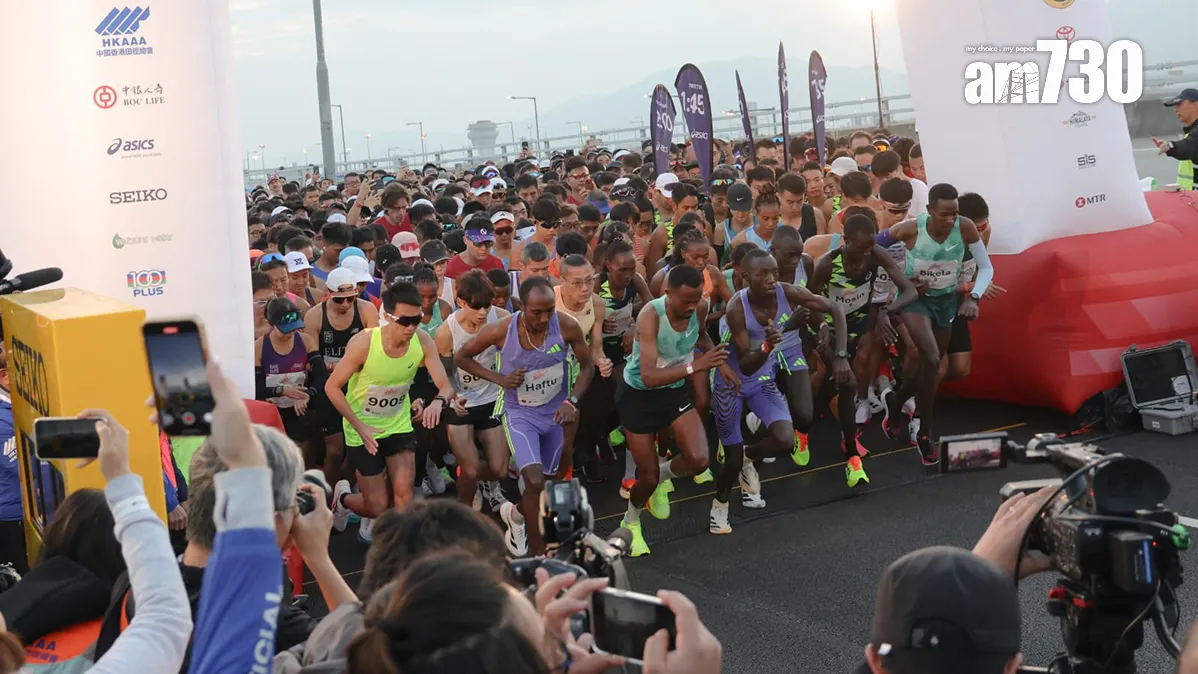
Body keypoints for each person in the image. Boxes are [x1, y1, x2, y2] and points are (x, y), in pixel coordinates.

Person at [710, 249, 849, 533]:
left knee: (787, 440)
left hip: (763, 383)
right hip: (731, 386)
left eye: (774, 271)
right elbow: (746, 365)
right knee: (730, 461)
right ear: (745, 278)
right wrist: (780, 333)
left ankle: (751, 456)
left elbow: (834, 308)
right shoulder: (737, 308)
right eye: (763, 274)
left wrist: (837, 347)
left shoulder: (787, 291)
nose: (772, 278)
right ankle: (720, 504)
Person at [454, 276, 594, 557]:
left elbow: (587, 365)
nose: (544, 318)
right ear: (522, 307)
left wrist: (572, 400)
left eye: (549, 310)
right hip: (520, 414)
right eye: (537, 312)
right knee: (534, 481)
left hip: (555, 413)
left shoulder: (566, 326)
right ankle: (540, 554)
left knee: (550, 479)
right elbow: (461, 357)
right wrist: (500, 379)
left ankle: (515, 515)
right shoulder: (501, 330)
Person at [617, 265, 729, 557]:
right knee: (647, 477)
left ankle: (663, 476)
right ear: (668, 294)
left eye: (696, 301)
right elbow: (650, 375)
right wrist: (695, 366)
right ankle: (631, 522)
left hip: (673, 392)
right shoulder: (650, 316)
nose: (691, 307)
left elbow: (701, 336)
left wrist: (721, 362)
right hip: (639, 396)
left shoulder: (700, 307)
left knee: (700, 460)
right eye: (685, 301)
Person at [328, 282, 459, 529]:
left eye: (417, 319)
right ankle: (343, 500)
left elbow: (446, 385)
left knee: (404, 497)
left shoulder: (421, 340)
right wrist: (359, 427)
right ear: (387, 317)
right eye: (404, 321)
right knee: (377, 506)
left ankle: (404, 552)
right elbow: (331, 388)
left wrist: (437, 404)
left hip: (399, 425)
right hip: (363, 430)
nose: (411, 327)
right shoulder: (365, 344)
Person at [880, 184, 993, 464]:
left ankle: (897, 400)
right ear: (930, 210)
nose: (950, 220)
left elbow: (987, 267)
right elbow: (870, 246)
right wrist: (902, 284)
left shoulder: (966, 228)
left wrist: (974, 298)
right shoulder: (909, 229)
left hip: (946, 303)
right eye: (944, 215)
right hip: (916, 302)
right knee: (931, 358)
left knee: (931, 366)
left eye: (954, 214)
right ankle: (925, 434)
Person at [809, 213, 917, 477]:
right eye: (861, 248)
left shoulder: (876, 254)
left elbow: (910, 291)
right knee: (835, 379)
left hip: (859, 325)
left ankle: (821, 427)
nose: (867, 252)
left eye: (870, 246)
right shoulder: (826, 264)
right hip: (830, 329)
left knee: (843, 382)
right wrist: (823, 328)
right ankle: (841, 438)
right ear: (845, 241)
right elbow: (809, 303)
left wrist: (885, 311)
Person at [434, 271, 522, 552]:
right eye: (476, 306)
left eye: (487, 304)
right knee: (469, 469)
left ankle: (484, 485)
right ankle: (462, 516)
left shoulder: (500, 317)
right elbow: (444, 373)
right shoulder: (446, 331)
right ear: (460, 302)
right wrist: (453, 395)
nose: (484, 312)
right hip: (460, 403)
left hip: (491, 400)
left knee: (498, 469)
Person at [303, 267, 379, 484]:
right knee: (335, 451)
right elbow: (312, 360)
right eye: (339, 300)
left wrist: (344, 365)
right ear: (327, 292)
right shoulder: (314, 315)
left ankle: (345, 488)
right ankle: (327, 494)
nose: (346, 304)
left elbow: (374, 351)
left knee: (360, 446)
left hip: (358, 385)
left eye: (350, 298)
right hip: (330, 388)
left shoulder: (366, 311)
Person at [255, 297, 327, 465]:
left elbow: (322, 375)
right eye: (285, 330)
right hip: (273, 411)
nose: (291, 334)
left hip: (299, 410)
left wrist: (308, 394)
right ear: (269, 323)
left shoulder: (305, 340)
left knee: (301, 454)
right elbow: (256, 388)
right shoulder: (259, 347)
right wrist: (282, 390)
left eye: (294, 329)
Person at [1154, 88, 1198, 190]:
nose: (1176, 109)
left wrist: (1171, 147)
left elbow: (1190, 146)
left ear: (1196, 105)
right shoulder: (1192, 132)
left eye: (1179, 104)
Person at [446, 214, 505, 279]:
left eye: (488, 243)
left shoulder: (496, 264)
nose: (483, 248)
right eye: (478, 243)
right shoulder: (451, 267)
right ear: (465, 240)